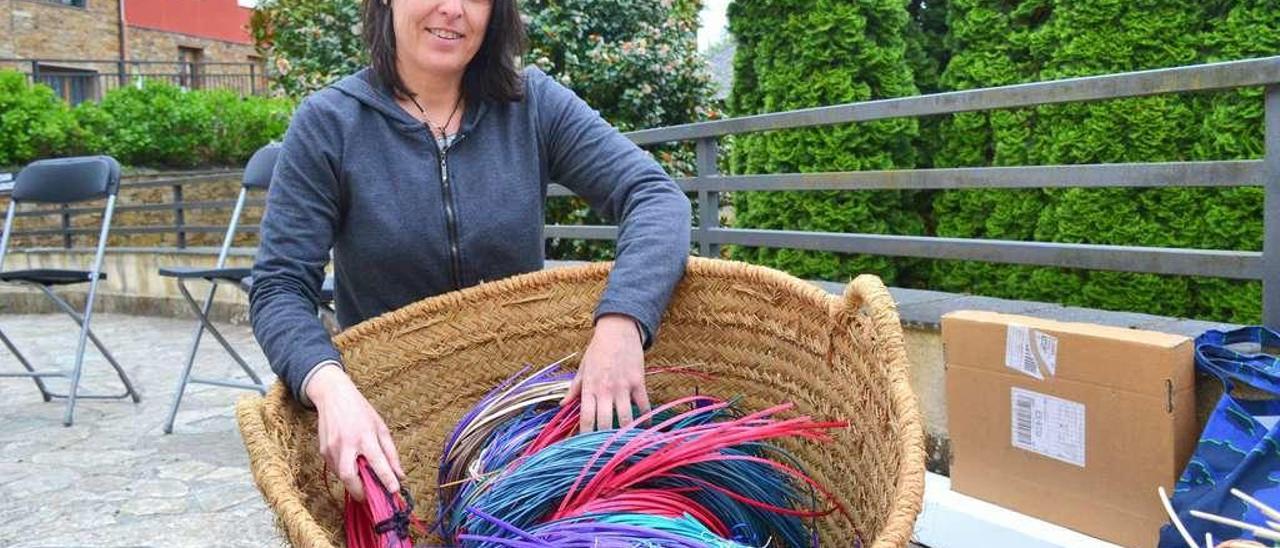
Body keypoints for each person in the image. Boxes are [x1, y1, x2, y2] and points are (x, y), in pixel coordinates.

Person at [248, 0, 691, 504]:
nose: (453, 9)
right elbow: (278, 286)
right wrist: (330, 387)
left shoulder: (533, 103)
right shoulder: (330, 122)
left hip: (523, 429)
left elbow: (655, 196)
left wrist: (622, 323)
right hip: (391, 426)